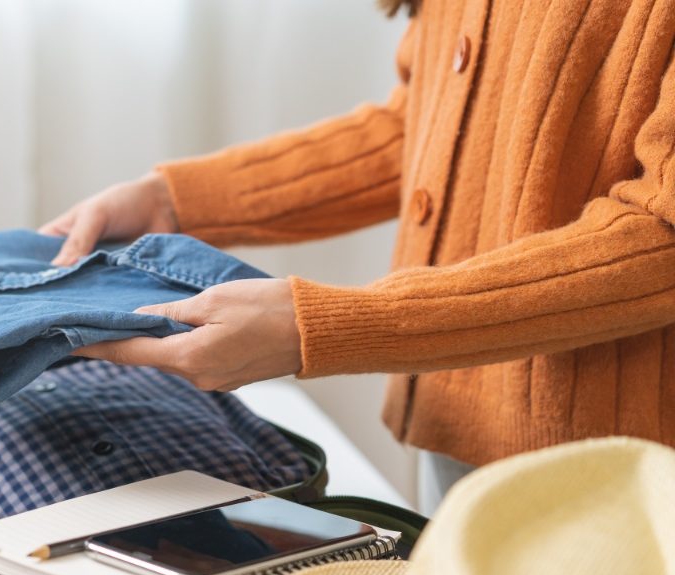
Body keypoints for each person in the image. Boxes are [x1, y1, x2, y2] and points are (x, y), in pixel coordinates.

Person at [40, 0, 675, 511]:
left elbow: (661, 233)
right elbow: (422, 125)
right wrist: (175, 201)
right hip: (460, 425)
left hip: (619, 477)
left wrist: (326, 326)